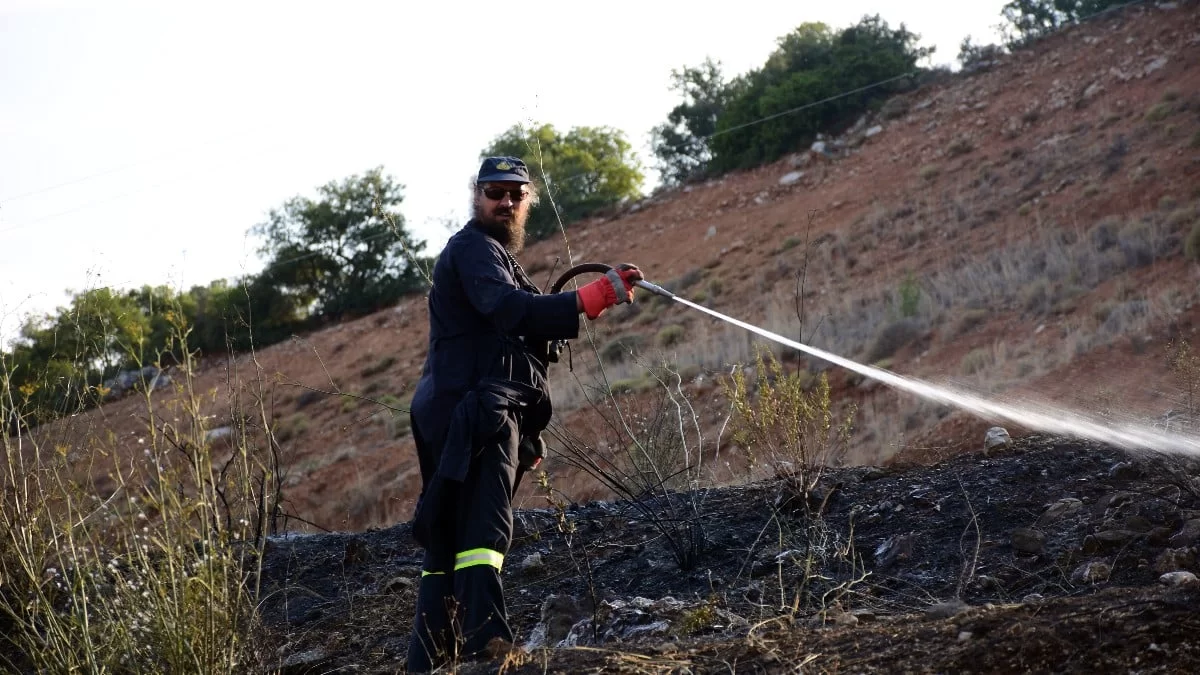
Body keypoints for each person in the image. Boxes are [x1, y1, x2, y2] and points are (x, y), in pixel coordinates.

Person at [405, 156, 643, 671]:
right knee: (485, 534)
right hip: (475, 412)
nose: (506, 201)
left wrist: (529, 435)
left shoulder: (494, 256)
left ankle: (429, 659)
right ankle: (489, 648)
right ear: (477, 195)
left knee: (449, 535)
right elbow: (511, 311)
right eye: (495, 191)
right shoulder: (473, 250)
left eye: (516, 193)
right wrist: (590, 297)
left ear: (527, 200)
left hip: (465, 410)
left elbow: (523, 336)